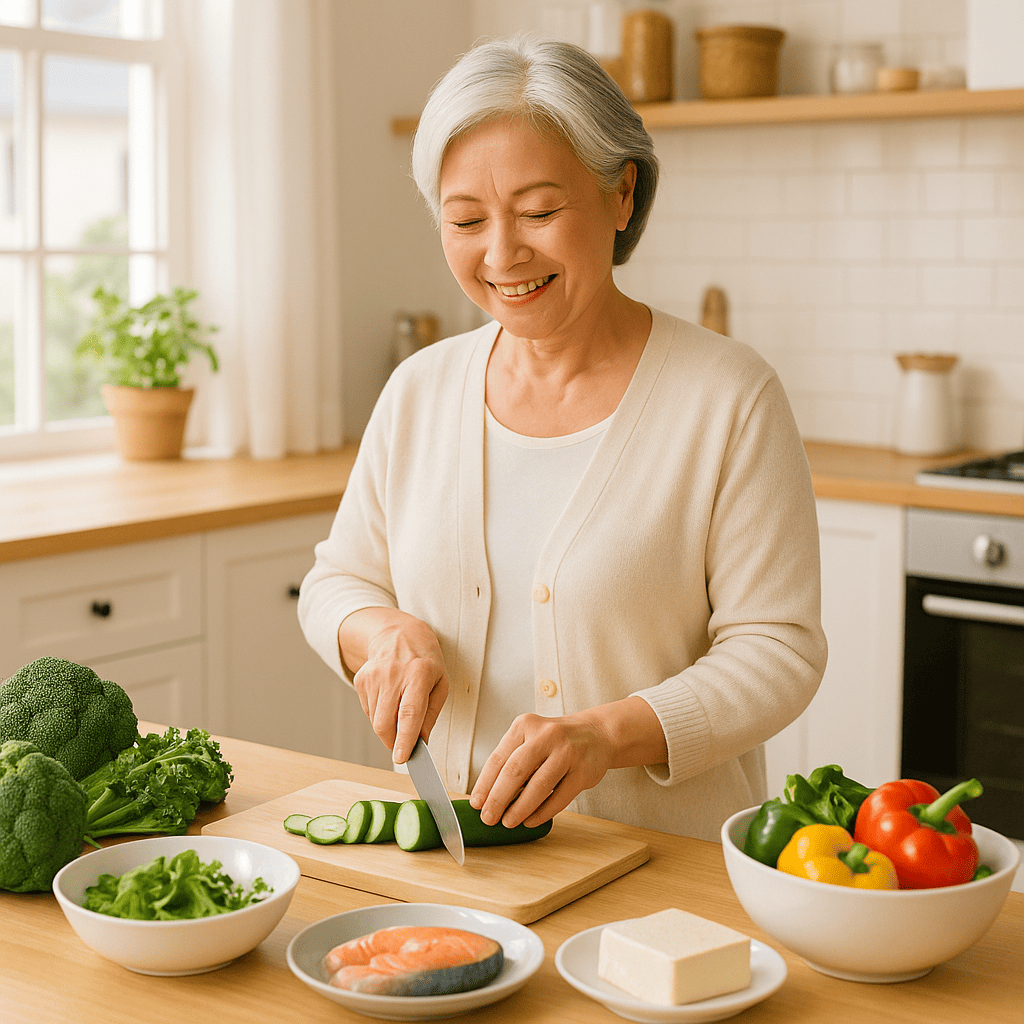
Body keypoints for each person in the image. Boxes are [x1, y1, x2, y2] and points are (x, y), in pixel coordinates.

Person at [298, 35, 826, 843]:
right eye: (466, 219)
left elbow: (778, 652)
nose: (503, 254)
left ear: (621, 196)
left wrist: (605, 735)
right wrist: (385, 633)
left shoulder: (728, 396)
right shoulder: (420, 390)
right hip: (455, 866)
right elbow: (337, 582)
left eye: (539, 211)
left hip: (665, 874)